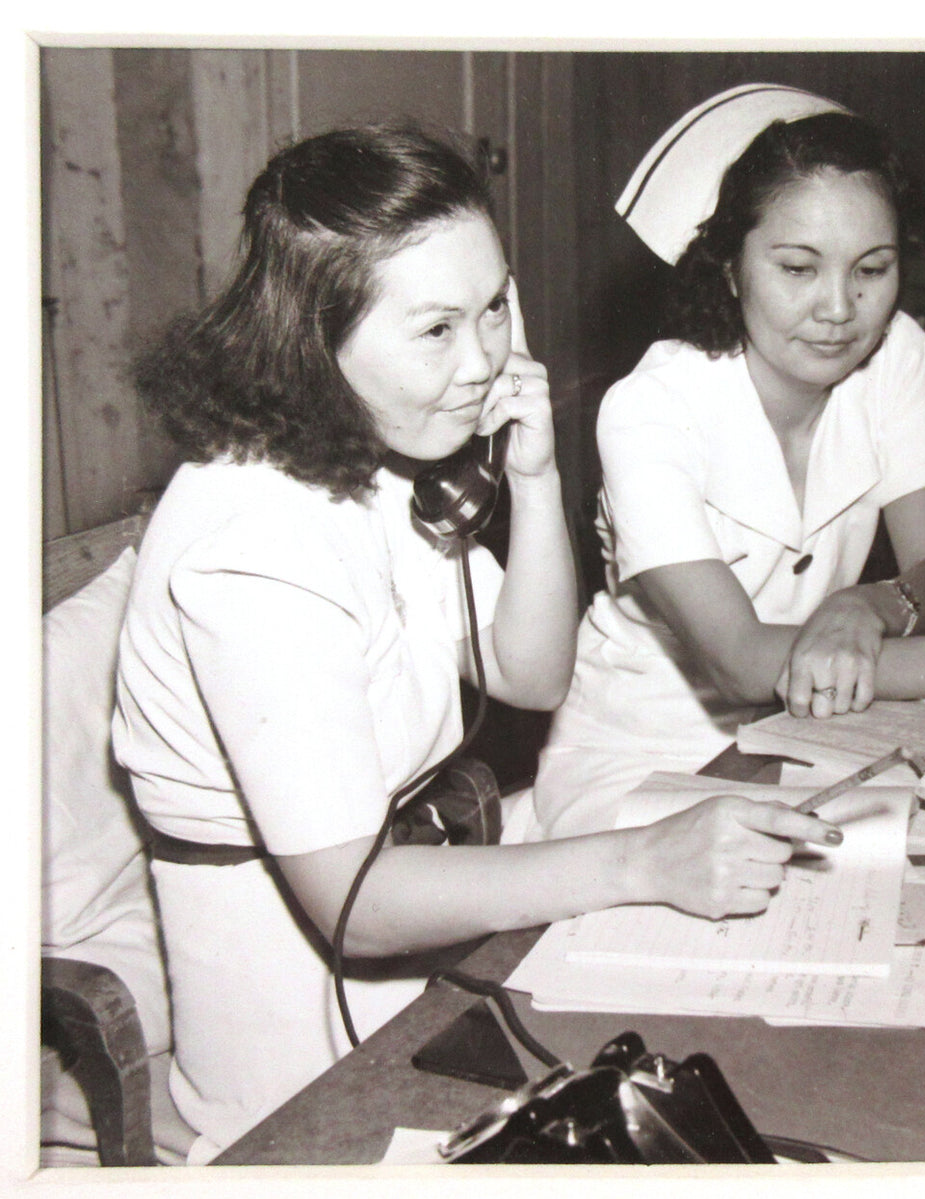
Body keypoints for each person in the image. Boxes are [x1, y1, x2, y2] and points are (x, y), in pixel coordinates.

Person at [112, 123, 842, 1162]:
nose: (484, 359)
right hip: (299, 1051)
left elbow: (529, 674)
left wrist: (533, 478)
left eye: (495, 306)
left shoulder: (372, 455)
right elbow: (357, 904)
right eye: (436, 329)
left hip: (425, 935)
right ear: (313, 338)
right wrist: (644, 860)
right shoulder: (254, 547)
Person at [527, 85, 925, 839]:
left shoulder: (897, 354)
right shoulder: (649, 408)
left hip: (822, 727)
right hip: (643, 757)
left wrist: (866, 606)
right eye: (798, 269)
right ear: (730, 267)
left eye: (871, 269)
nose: (839, 308)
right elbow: (740, 662)